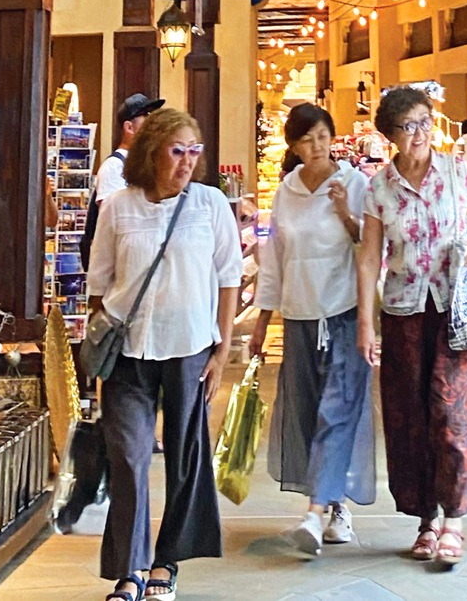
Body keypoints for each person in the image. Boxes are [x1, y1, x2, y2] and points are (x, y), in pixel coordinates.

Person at [86, 109, 242, 601]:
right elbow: (98, 285)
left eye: (194, 151)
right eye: (178, 151)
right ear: (152, 153)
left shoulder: (210, 204)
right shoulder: (118, 206)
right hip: (127, 351)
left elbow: (229, 277)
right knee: (128, 456)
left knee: (185, 456)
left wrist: (222, 348)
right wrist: (100, 347)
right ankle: (129, 569)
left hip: (189, 346)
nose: (187, 161)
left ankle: (166, 562)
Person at [358, 85, 467, 566]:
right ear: (390, 135)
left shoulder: (457, 172)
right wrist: (365, 323)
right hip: (402, 312)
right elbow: (369, 257)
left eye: (424, 122)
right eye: (407, 126)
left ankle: (454, 519)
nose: (418, 134)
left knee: (451, 412)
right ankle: (426, 518)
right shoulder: (380, 187)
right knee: (409, 419)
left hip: (455, 310)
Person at [248, 104, 375, 556]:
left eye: (323, 136)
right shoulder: (286, 190)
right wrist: (262, 321)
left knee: (337, 412)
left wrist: (345, 213)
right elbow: (275, 259)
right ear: (294, 146)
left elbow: (371, 248)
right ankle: (332, 503)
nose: (317, 146)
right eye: (307, 139)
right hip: (299, 315)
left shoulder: (355, 184)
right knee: (307, 413)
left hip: (343, 314)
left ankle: (317, 512)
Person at [81, 93, 164, 270]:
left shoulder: (146, 167)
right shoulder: (114, 167)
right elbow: (113, 223)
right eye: (146, 116)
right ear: (129, 127)